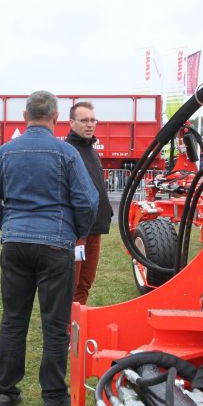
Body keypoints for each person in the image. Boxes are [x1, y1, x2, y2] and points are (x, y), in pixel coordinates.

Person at [0, 90, 98, 406]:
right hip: (56, 245)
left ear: (24, 117)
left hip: (15, 244)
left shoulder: (4, 153)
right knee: (55, 325)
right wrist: (78, 233)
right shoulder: (66, 153)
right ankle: (53, 400)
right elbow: (87, 201)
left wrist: (10, 225)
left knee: (13, 321)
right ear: (57, 119)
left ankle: (5, 395)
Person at [65, 101, 112, 305]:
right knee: (71, 285)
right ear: (71, 123)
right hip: (77, 232)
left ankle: (76, 327)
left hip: (95, 229)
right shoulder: (67, 151)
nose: (90, 124)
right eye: (84, 120)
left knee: (85, 284)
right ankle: (65, 331)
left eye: (93, 120)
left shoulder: (91, 150)